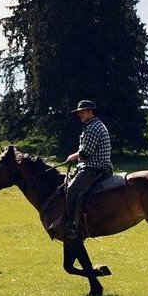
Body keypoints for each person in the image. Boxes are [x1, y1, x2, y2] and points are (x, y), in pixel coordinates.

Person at [62, 99, 113, 242]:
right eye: (78, 112)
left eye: (82, 112)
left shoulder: (93, 128)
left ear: (90, 111)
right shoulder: (91, 125)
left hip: (95, 167)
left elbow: (86, 152)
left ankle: (72, 226)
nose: (79, 115)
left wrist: (73, 156)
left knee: (72, 189)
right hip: (90, 166)